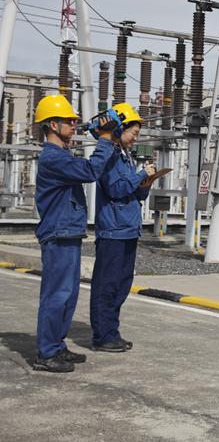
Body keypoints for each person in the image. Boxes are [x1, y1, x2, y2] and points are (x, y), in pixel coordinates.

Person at [33, 94, 115, 373]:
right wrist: (104, 139)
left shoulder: (62, 155)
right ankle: (46, 352)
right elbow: (90, 171)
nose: (73, 124)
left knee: (68, 295)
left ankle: (57, 345)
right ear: (52, 124)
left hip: (67, 232)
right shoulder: (52, 158)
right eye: (68, 120)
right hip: (58, 233)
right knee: (56, 295)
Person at [91, 103, 155, 353]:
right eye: (134, 133)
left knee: (121, 284)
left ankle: (111, 331)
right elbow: (116, 189)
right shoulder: (108, 157)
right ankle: (103, 336)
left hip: (128, 228)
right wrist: (139, 175)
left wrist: (145, 182)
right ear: (119, 129)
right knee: (107, 285)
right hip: (113, 230)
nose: (135, 138)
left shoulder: (124, 157)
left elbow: (133, 195)